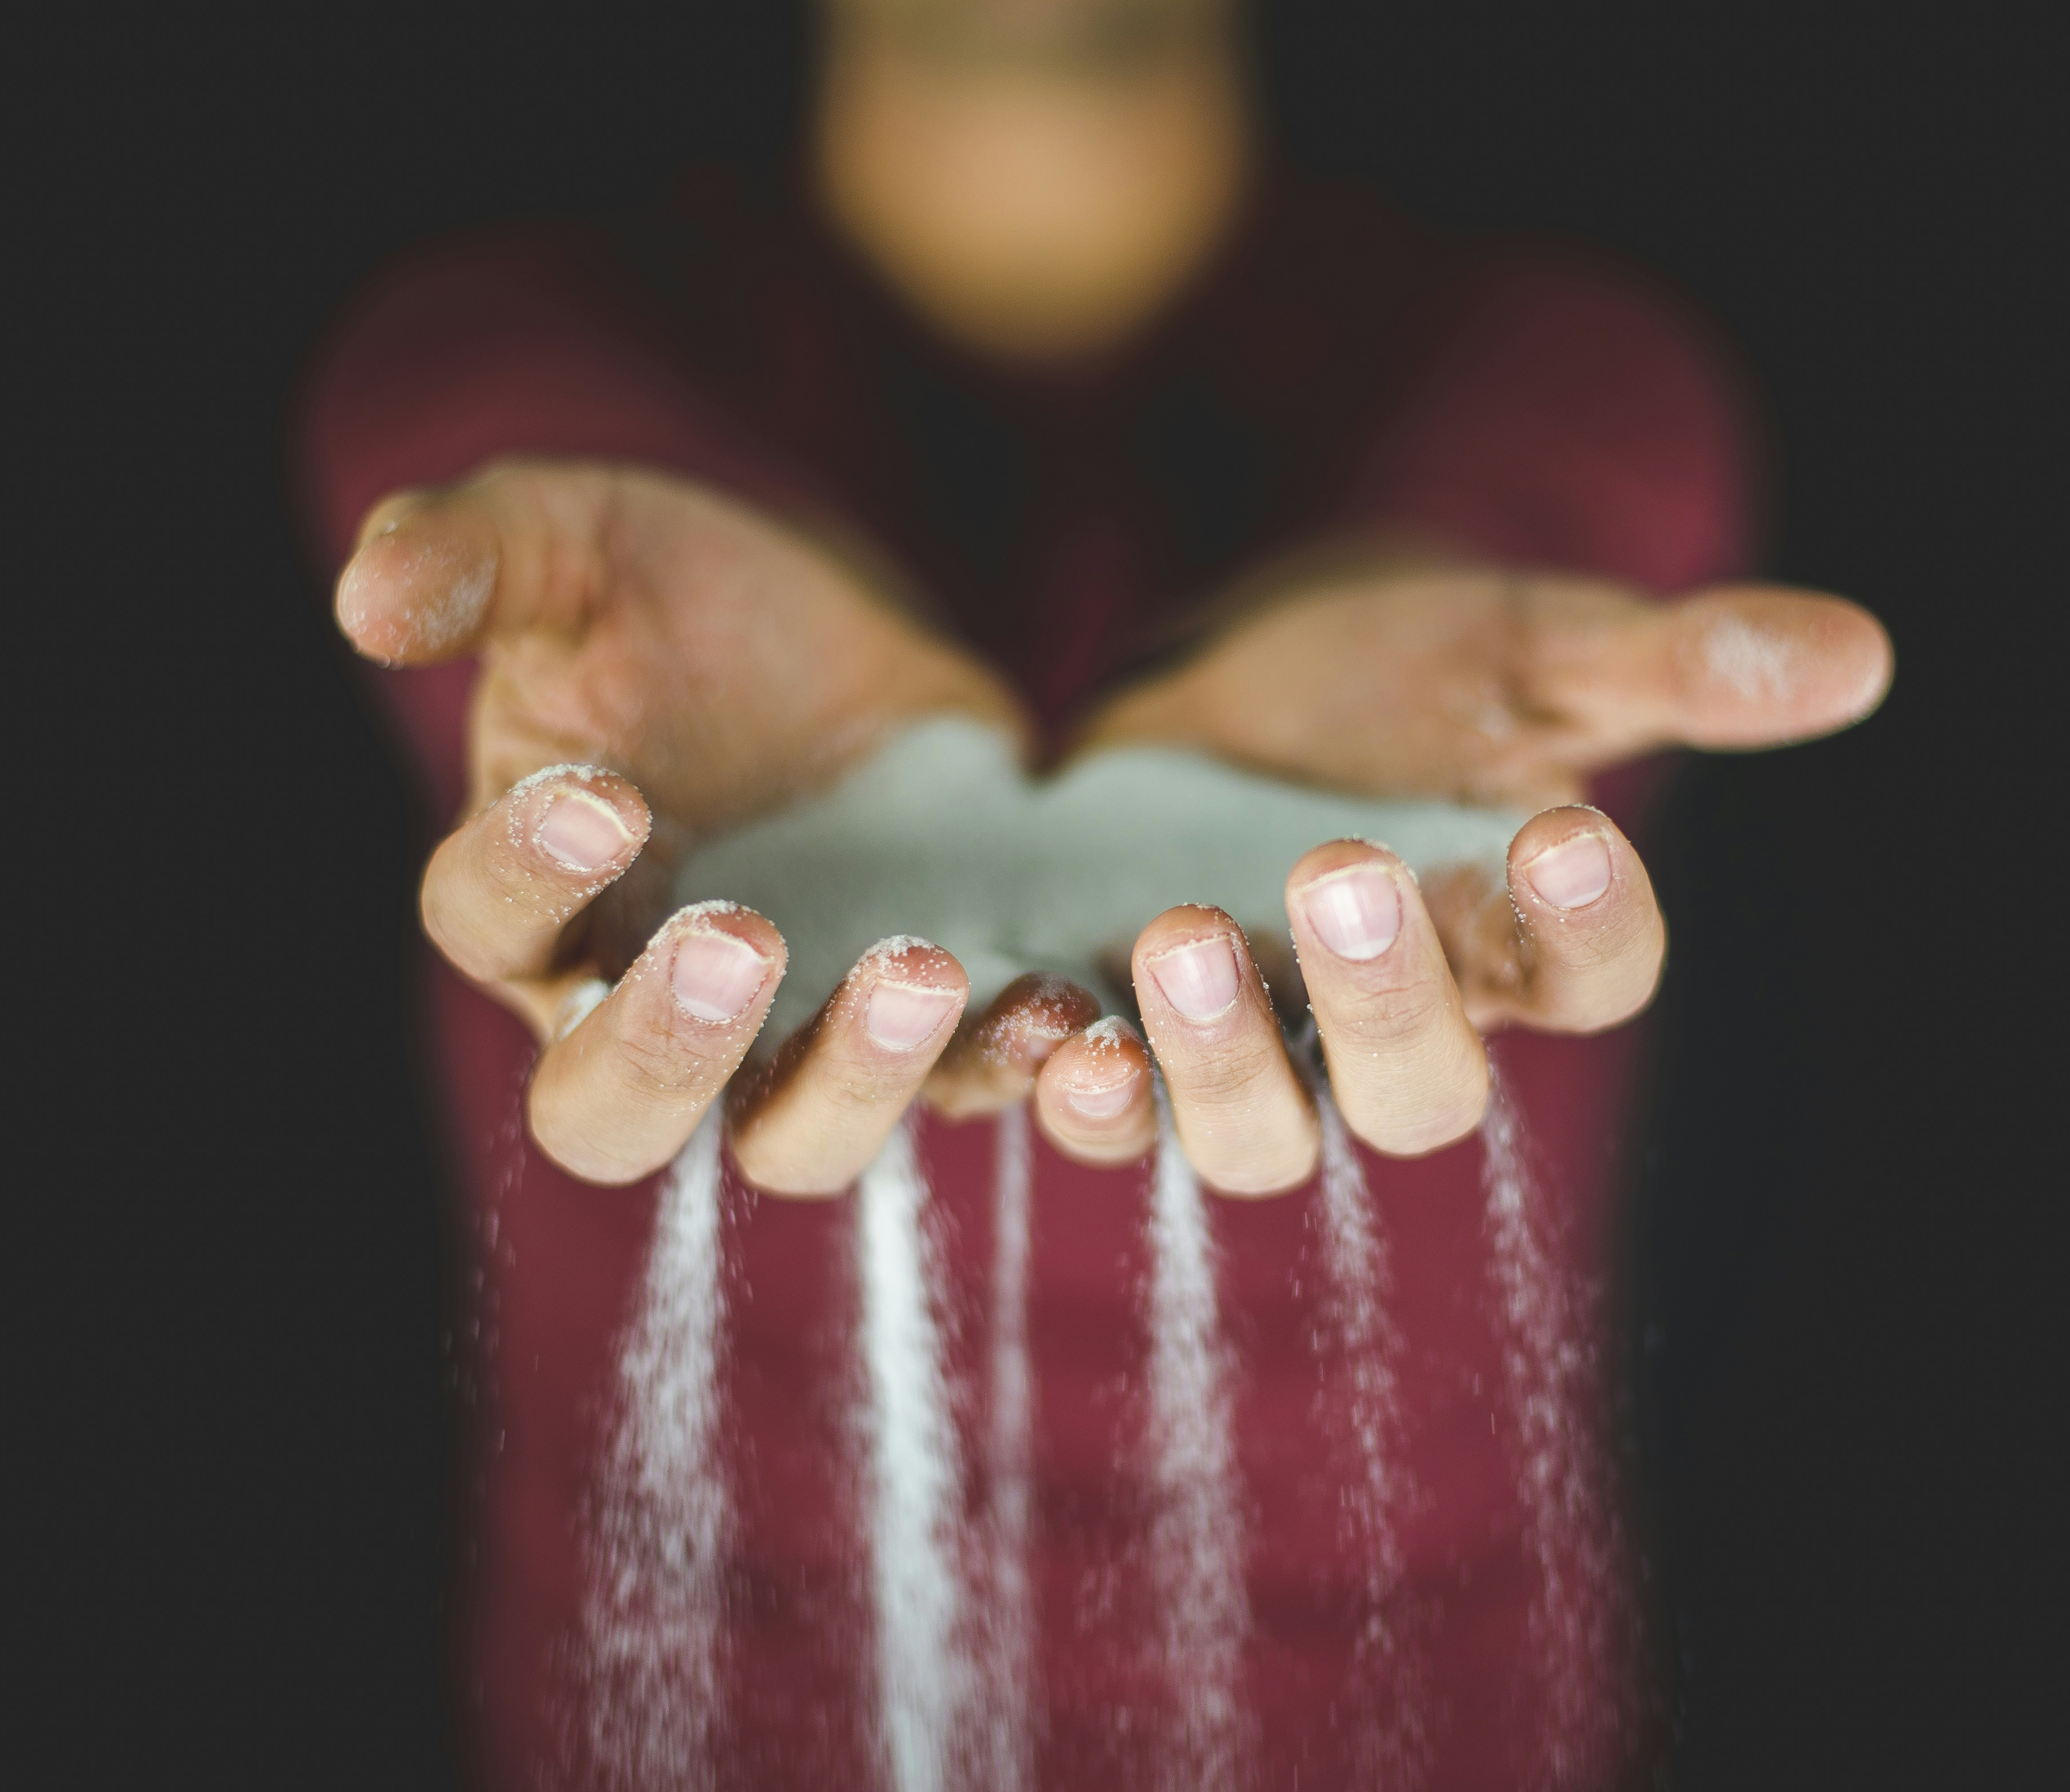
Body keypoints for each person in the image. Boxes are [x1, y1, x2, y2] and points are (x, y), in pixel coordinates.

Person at [298, 0, 1892, 1783]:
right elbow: (481, 446)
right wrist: (652, 599)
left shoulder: (1560, 358)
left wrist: (1379, 607)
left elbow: (1550, 464)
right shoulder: (516, 345)